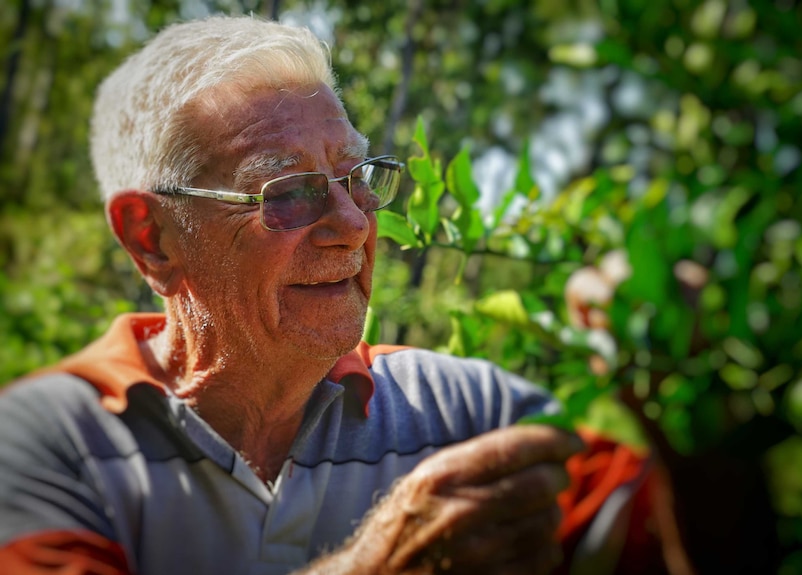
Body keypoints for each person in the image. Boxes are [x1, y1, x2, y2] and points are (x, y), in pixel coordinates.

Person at [0, 16, 657, 575]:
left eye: (358, 177)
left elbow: (685, 548)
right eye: (287, 192)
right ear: (154, 239)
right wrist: (373, 562)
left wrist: (688, 407)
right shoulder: (43, 442)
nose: (353, 224)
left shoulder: (460, 410)